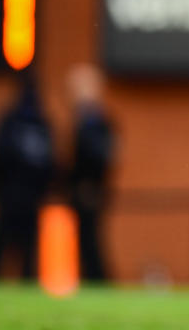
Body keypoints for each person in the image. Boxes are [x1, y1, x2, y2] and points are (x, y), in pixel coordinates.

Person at [0, 70, 55, 279]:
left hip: (21, 194)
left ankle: (10, 277)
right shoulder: (34, 123)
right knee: (7, 245)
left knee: (21, 246)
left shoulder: (24, 123)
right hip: (16, 193)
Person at [67, 63, 116, 282]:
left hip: (90, 189)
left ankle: (97, 280)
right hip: (87, 188)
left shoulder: (94, 120)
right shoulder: (88, 118)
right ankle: (93, 279)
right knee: (86, 239)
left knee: (90, 239)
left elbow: (99, 156)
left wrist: (89, 183)